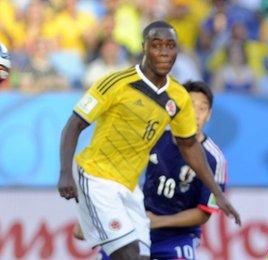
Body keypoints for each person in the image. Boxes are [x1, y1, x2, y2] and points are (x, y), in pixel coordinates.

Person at [57, 21, 240, 260]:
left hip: (129, 188)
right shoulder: (116, 83)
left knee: (141, 257)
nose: (164, 52)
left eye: (170, 46)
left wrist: (219, 193)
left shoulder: (178, 97)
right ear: (144, 48)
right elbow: (74, 124)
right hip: (96, 177)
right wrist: (65, 172)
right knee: (130, 255)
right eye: (157, 45)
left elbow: (188, 145)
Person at [144, 81, 227, 259]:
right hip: (140, 224)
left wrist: (158, 222)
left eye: (202, 108)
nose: (195, 114)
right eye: (190, 105)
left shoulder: (215, 159)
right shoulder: (157, 134)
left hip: (179, 237)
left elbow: (205, 212)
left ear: (209, 115)